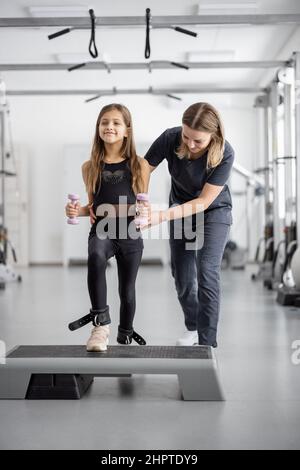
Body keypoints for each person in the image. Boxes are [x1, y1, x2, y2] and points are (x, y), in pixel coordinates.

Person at [144, 102, 234, 347]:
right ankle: (193, 326)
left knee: (206, 270)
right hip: (181, 211)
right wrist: (142, 199)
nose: (190, 145)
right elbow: (143, 167)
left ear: (213, 137)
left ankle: (207, 344)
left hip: (213, 211)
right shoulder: (171, 138)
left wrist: (162, 215)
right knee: (182, 277)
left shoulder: (225, 153)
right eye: (187, 137)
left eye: (198, 141)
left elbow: (204, 201)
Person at [65, 103, 149, 352]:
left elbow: (142, 207)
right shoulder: (89, 167)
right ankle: (100, 324)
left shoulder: (139, 165)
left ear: (127, 130)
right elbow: (93, 207)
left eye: (115, 123)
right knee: (96, 254)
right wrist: (74, 211)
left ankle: (125, 333)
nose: (109, 126)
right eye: (104, 122)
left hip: (130, 234)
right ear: (98, 128)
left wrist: (138, 212)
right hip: (102, 230)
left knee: (127, 291)